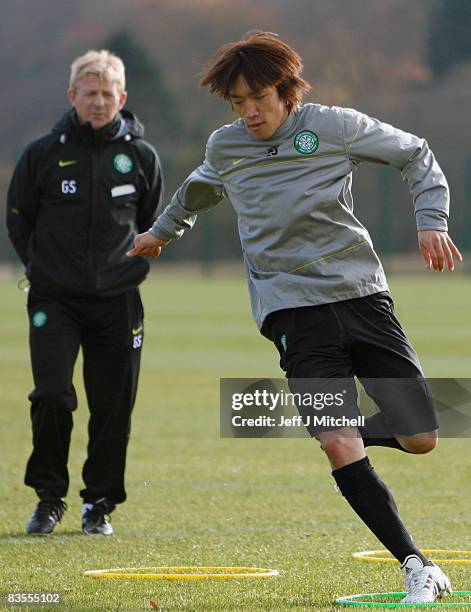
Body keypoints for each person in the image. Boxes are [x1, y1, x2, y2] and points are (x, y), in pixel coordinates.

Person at [127, 32, 461, 603]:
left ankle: (339, 421)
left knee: (422, 436)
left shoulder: (332, 127)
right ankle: (416, 564)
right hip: (290, 310)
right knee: (337, 442)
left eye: (257, 97)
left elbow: (415, 152)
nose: (248, 112)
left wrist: (432, 219)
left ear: (285, 91)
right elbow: (198, 189)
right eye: (237, 103)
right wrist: (161, 232)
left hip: (360, 295)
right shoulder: (226, 146)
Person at [7, 50, 163, 536]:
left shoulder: (141, 157)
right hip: (54, 300)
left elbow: (153, 221)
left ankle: (99, 503)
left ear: (122, 97)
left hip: (119, 300)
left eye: (107, 93)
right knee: (52, 394)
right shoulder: (42, 154)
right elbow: (19, 220)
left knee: (113, 404)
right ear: (72, 95)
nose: (99, 102)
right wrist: (40, 268)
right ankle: (48, 497)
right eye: (89, 93)